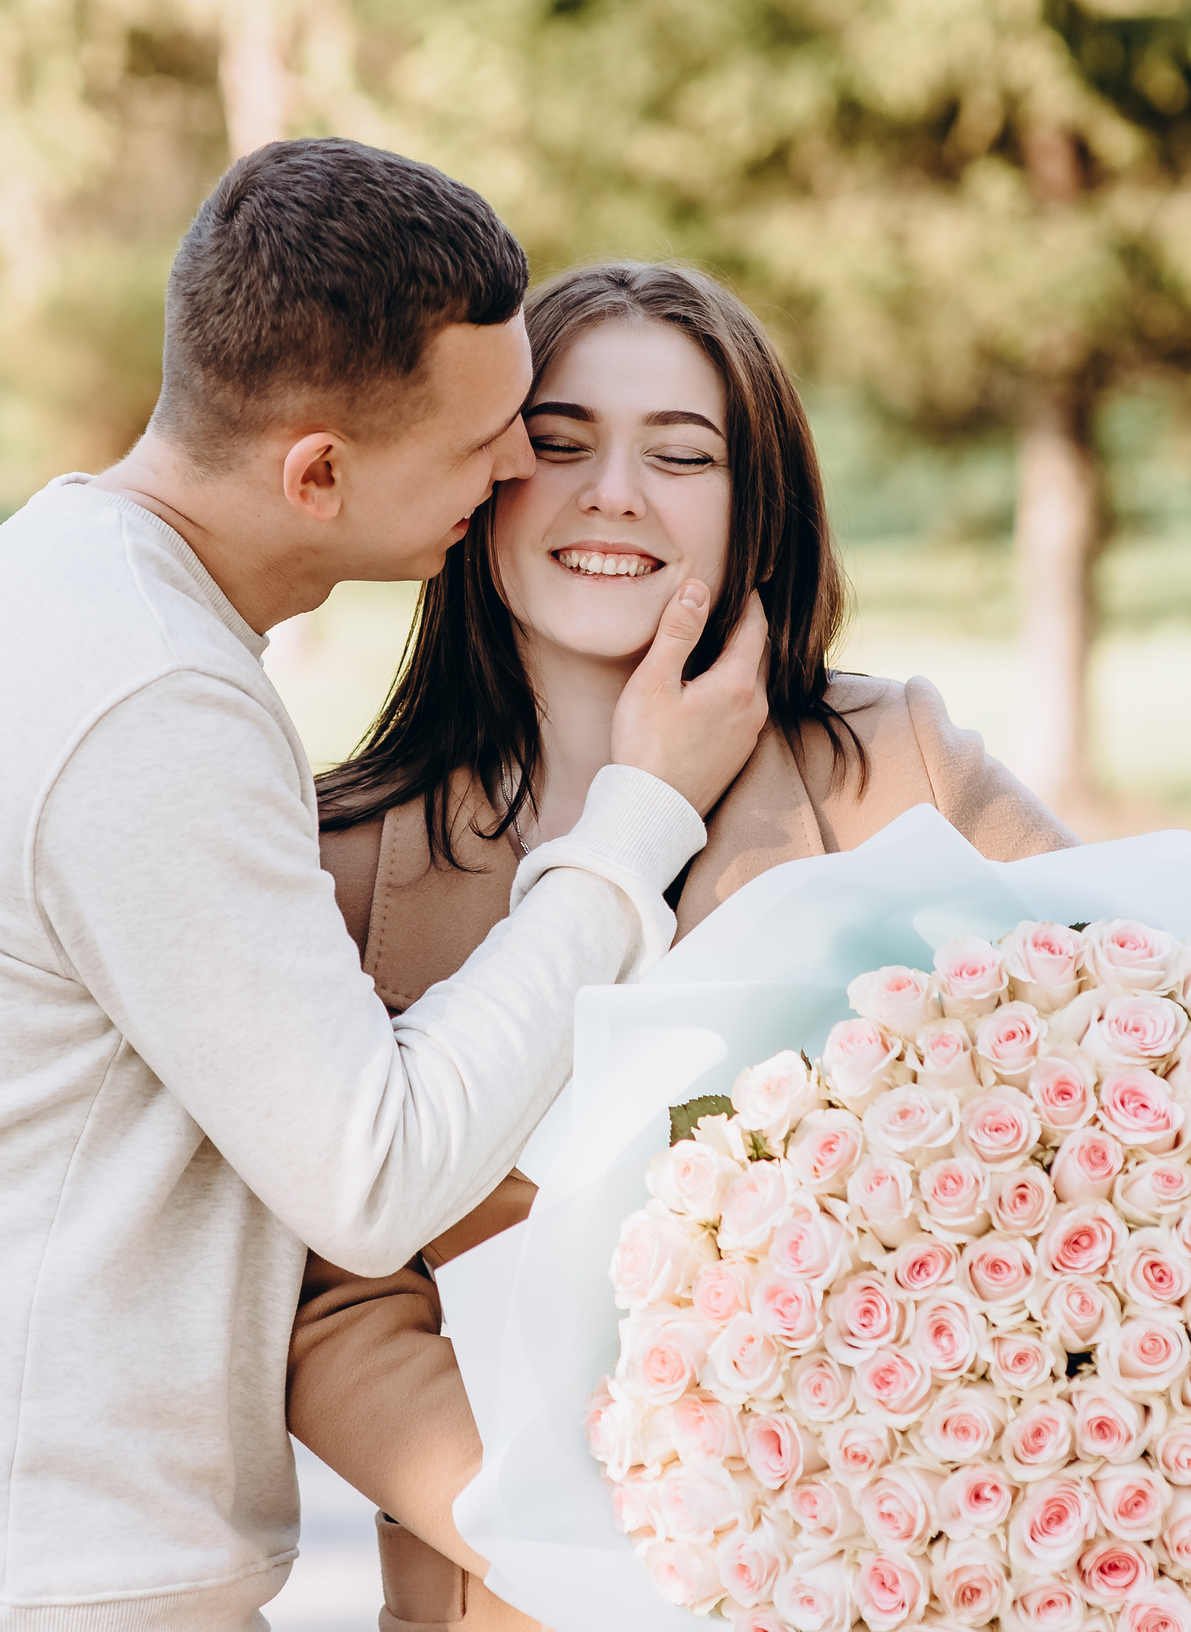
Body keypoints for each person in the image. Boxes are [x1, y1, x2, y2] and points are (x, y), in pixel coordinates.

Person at [0, 145, 772, 1632]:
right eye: (490, 437)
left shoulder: (80, 589)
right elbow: (374, 1173)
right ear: (317, 473)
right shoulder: (148, 693)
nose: (511, 475)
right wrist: (637, 822)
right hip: (17, 1577)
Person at [286, 261, 1078, 1632]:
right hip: (533, 1590)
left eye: (683, 454)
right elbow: (328, 1311)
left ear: (755, 507)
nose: (614, 495)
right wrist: (626, 1539)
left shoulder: (902, 772)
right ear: (482, 488)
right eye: (560, 442)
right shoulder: (347, 859)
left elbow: (1161, 1070)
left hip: (906, 1579)